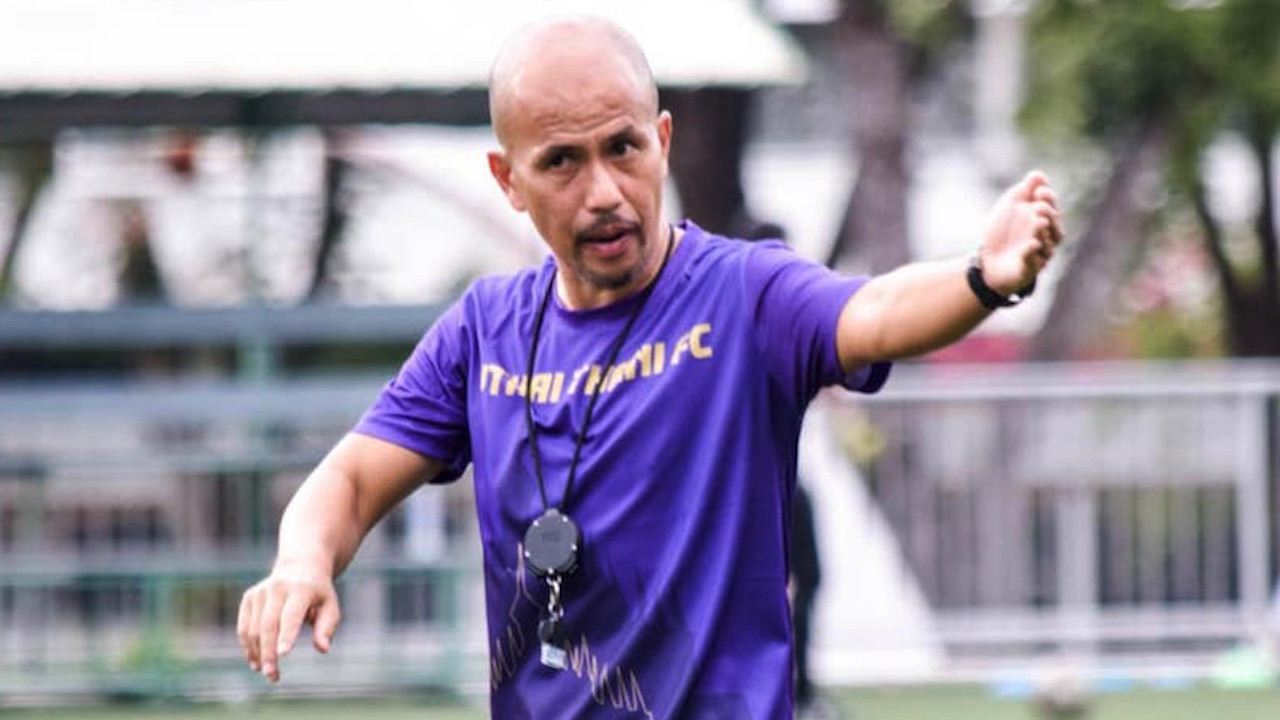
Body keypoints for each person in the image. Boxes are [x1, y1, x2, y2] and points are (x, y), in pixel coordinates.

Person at [236, 15, 1064, 720]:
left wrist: (982, 277)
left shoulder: (746, 294)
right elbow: (350, 479)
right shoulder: (482, 332)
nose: (604, 191)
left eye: (622, 148)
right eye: (562, 161)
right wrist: (302, 561)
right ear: (508, 180)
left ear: (661, 142)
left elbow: (874, 312)